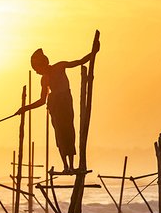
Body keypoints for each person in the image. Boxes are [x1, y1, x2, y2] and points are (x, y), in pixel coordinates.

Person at [15, 44, 99, 173]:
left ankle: (71, 165)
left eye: (38, 68)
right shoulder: (44, 80)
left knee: (69, 132)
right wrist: (25, 108)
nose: (38, 72)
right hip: (55, 106)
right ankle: (65, 166)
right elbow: (42, 100)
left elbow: (79, 61)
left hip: (65, 102)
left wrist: (93, 53)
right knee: (60, 135)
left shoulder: (60, 66)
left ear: (44, 64)